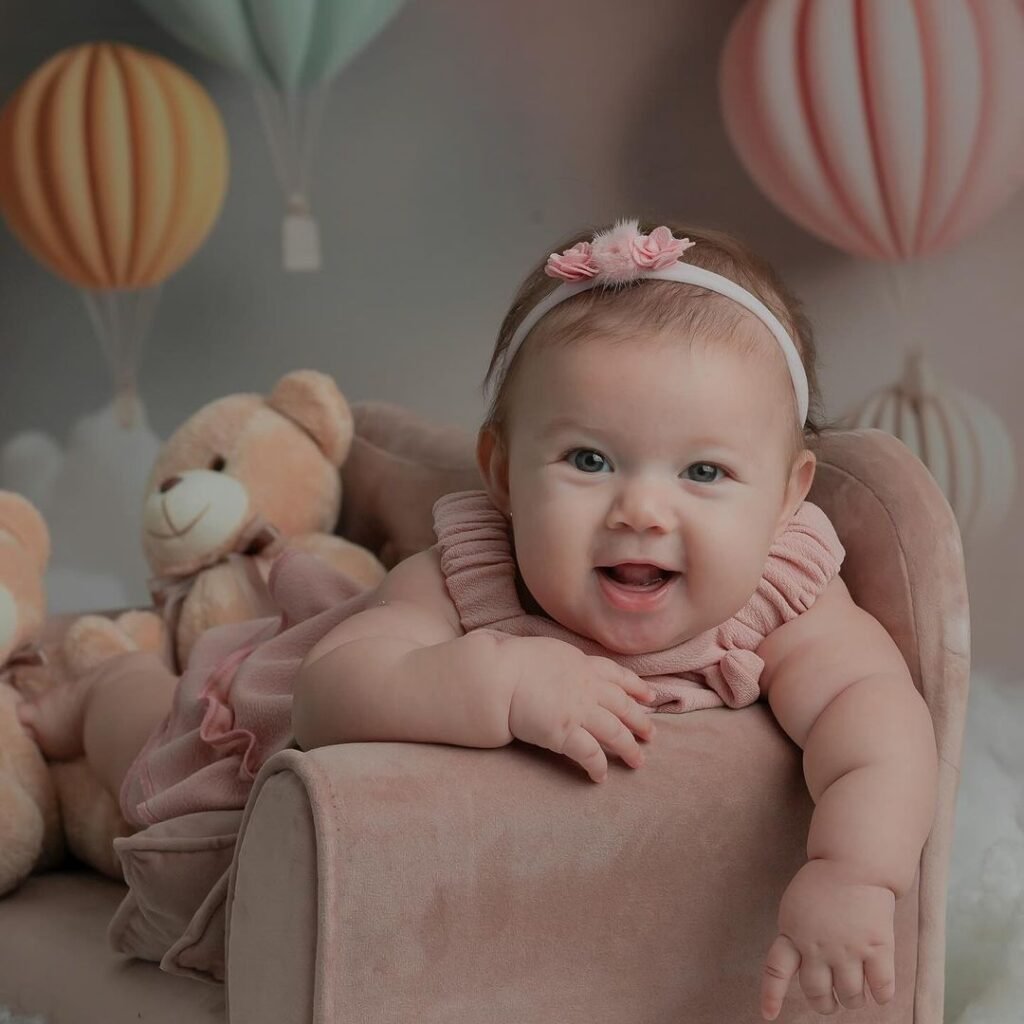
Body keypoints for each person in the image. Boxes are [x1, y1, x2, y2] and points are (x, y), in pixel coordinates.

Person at [19, 219, 938, 1020]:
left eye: (704, 472)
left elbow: (878, 722)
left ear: (787, 495)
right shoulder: (471, 574)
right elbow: (330, 692)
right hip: (247, 758)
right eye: (589, 460)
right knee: (144, 736)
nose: (642, 511)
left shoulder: (786, 596)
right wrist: (498, 680)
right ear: (501, 473)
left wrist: (854, 872)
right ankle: (97, 686)